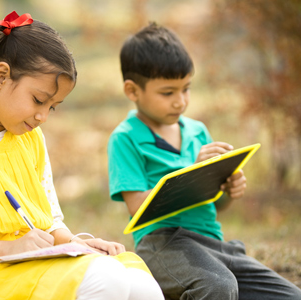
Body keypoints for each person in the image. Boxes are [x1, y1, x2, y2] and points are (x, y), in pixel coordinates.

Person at [0, 12, 164, 300]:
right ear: (0, 76)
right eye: (38, 100)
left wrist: (77, 244)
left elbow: (49, 218)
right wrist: (5, 249)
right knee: (107, 280)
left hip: (32, 266)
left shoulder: (31, 138)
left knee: (141, 285)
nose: (43, 116)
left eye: (52, 107)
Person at [107, 22, 301, 300]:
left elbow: (213, 206)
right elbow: (138, 207)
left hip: (214, 244)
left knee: (288, 295)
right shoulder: (125, 138)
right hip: (165, 244)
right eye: (168, 92)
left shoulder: (197, 131)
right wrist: (191, 173)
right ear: (132, 91)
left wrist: (227, 190)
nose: (180, 101)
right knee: (218, 286)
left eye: (186, 89)